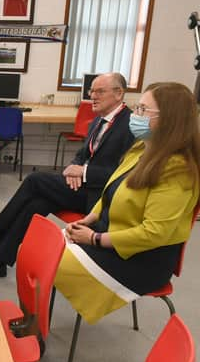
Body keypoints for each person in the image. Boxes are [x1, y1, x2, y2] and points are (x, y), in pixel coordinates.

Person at [56, 82, 200, 324]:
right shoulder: (140, 149)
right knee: (39, 247)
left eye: (144, 111)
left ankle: (32, 332)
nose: (135, 116)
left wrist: (94, 238)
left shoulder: (178, 170)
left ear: (170, 120)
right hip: (108, 237)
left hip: (140, 261)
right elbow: (109, 193)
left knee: (47, 260)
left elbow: (154, 233)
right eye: (137, 108)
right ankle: (32, 324)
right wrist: (88, 220)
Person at [0, 73, 135, 277]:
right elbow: (82, 154)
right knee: (37, 204)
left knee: (35, 180)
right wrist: (74, 168)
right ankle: (0, 261)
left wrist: (84, 172)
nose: (92, 96)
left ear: (119, 93)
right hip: (81, 186)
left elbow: (123, 175)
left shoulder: (130, 125)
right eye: (91, 91)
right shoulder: (98, 121)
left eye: (100, 91)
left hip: (98, 198)